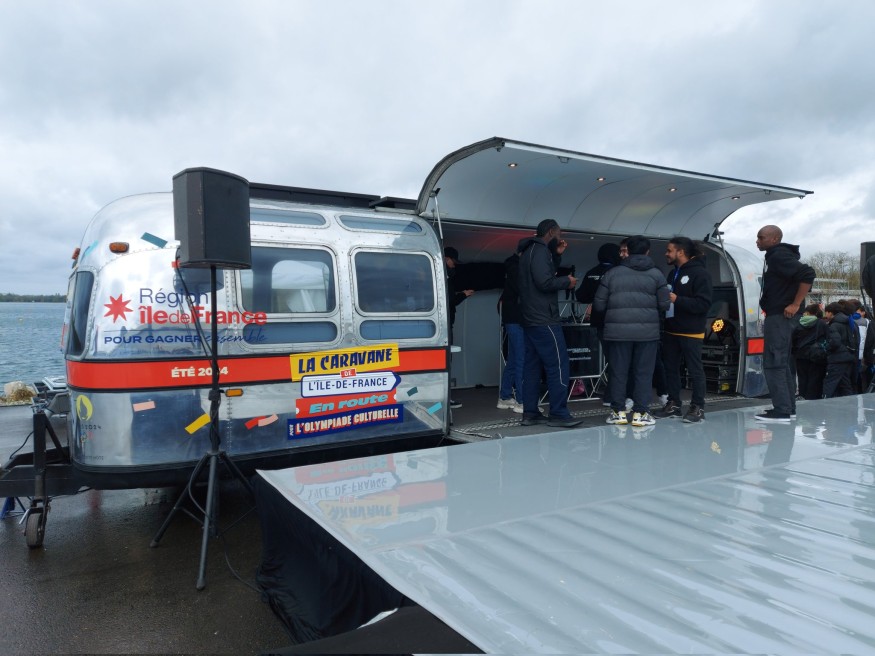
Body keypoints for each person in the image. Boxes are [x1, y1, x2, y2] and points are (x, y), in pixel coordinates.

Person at [593, 235, 670, 427]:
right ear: (647, 251)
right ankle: (640, 414)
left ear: (627, 250)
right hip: (647, 332)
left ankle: (618, 413)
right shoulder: (657, 274)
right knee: (643, 372)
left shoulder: (612, 273)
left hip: (617, 332)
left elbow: (599, 305)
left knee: (618, 372)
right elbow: (665, 304)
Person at [517, 219, 583, 428]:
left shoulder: (529, 251)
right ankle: (559, 413)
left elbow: (542, 274)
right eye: (559, 234)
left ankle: (530, 413)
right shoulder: (539, 251)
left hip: (530, 318)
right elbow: (544, 282)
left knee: (532, 367)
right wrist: (567, 281)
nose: (560, 238)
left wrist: (557, 255)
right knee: (558, 366)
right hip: (544, 319)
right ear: (551, 232)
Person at [754, 225, 815, 423]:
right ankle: (788, 408)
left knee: (774, 361)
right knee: (783, 362)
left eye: (761, 237)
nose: (757, 241)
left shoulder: (778, 256)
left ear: (774, 239)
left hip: (780, 316)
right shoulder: (776, 256)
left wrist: (795, 304)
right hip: (781, 315)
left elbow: (807, 273)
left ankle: (782, 410)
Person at [654, 236, 713, 423]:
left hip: (691, 331)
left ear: (681, 252)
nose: (666, 253)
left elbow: (703, 304)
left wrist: (677, 299)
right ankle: (674, 404)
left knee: (695, 370)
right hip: (671, 330)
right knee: (670, 369)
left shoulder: (701, 274)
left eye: (669, 250)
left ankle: (698, 407)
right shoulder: (673, 273)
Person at [575, 243, 621, 406]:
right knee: (619, 359)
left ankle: (611, 394)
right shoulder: (618, 272)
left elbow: (581, 296)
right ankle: (615, 395)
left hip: (599, 321)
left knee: (610, 357)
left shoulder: (591, 272)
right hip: (617, 320)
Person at [444, 246, 473, 409]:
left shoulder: (443, 276)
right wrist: (463, 295)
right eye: (453, 261)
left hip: (444, 323)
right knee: (446, 360)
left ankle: (444, 399)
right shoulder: (444, 277)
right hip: (445, 325)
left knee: (446, 360)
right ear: (446, 259)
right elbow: (449, 302)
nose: (454, 265)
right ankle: (445, 399)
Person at [497, 249, 524, 412]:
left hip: (511, 320)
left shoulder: (511, 268)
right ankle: (522, 401)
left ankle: (505, 397)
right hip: (518, 319)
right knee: (522, 359)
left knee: (514, 360)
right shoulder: (518, 270)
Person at [791, 303, 828, 400]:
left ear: (807, 312)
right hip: (817, 355)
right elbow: (828, 338)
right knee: (815, 378)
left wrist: (795, 351)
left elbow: (793, 340)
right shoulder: (821, 323)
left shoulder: (799, 323)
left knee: (802, 378)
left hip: (801, 355)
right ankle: (813, 398)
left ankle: (803, 396)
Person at [822, 301, 858, 398]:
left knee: (829, 383)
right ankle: (851, 402)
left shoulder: (834, 325)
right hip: (849, 356)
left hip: (837, 358)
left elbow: (835, 342)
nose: (825, 315)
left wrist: (826, 348)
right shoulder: (850, 322)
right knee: (845, 383)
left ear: (830, 312)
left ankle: (825, 402)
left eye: (826, 312)